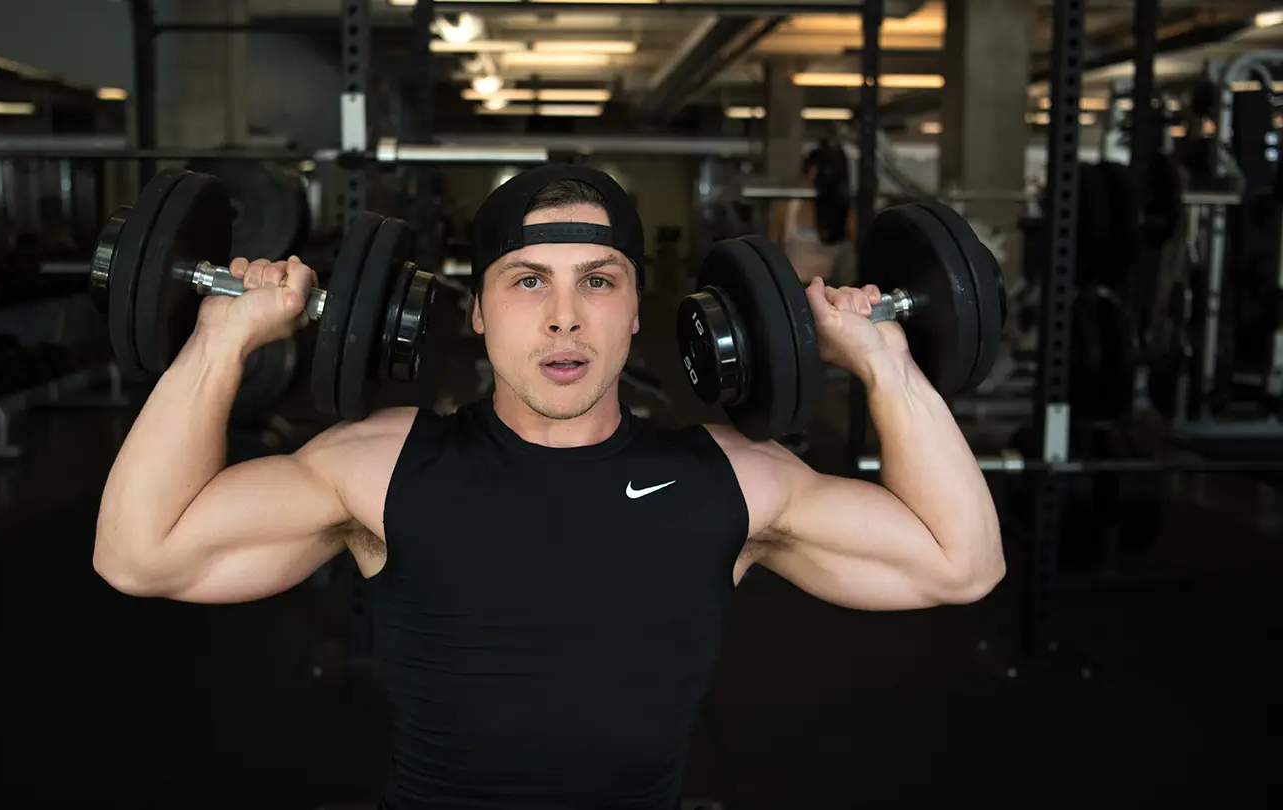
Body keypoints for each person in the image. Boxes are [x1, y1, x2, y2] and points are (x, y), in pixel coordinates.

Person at [94, 165, 1004, 809]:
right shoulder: (382, 464)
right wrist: (221, 339)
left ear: (640, 311)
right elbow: (141, 554)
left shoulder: (731, 477)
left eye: (598, 282)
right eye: (529, 281)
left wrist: (887, 364)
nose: (565, 315)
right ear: (479, 311)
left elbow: (958, 565)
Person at [768, 144, 858, 286]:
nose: (820, 176)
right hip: (791, 286)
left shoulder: (845, 212)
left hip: (828, 288)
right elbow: (770, 254)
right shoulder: (786, 207)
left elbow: (862, 249)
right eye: (817, 170)